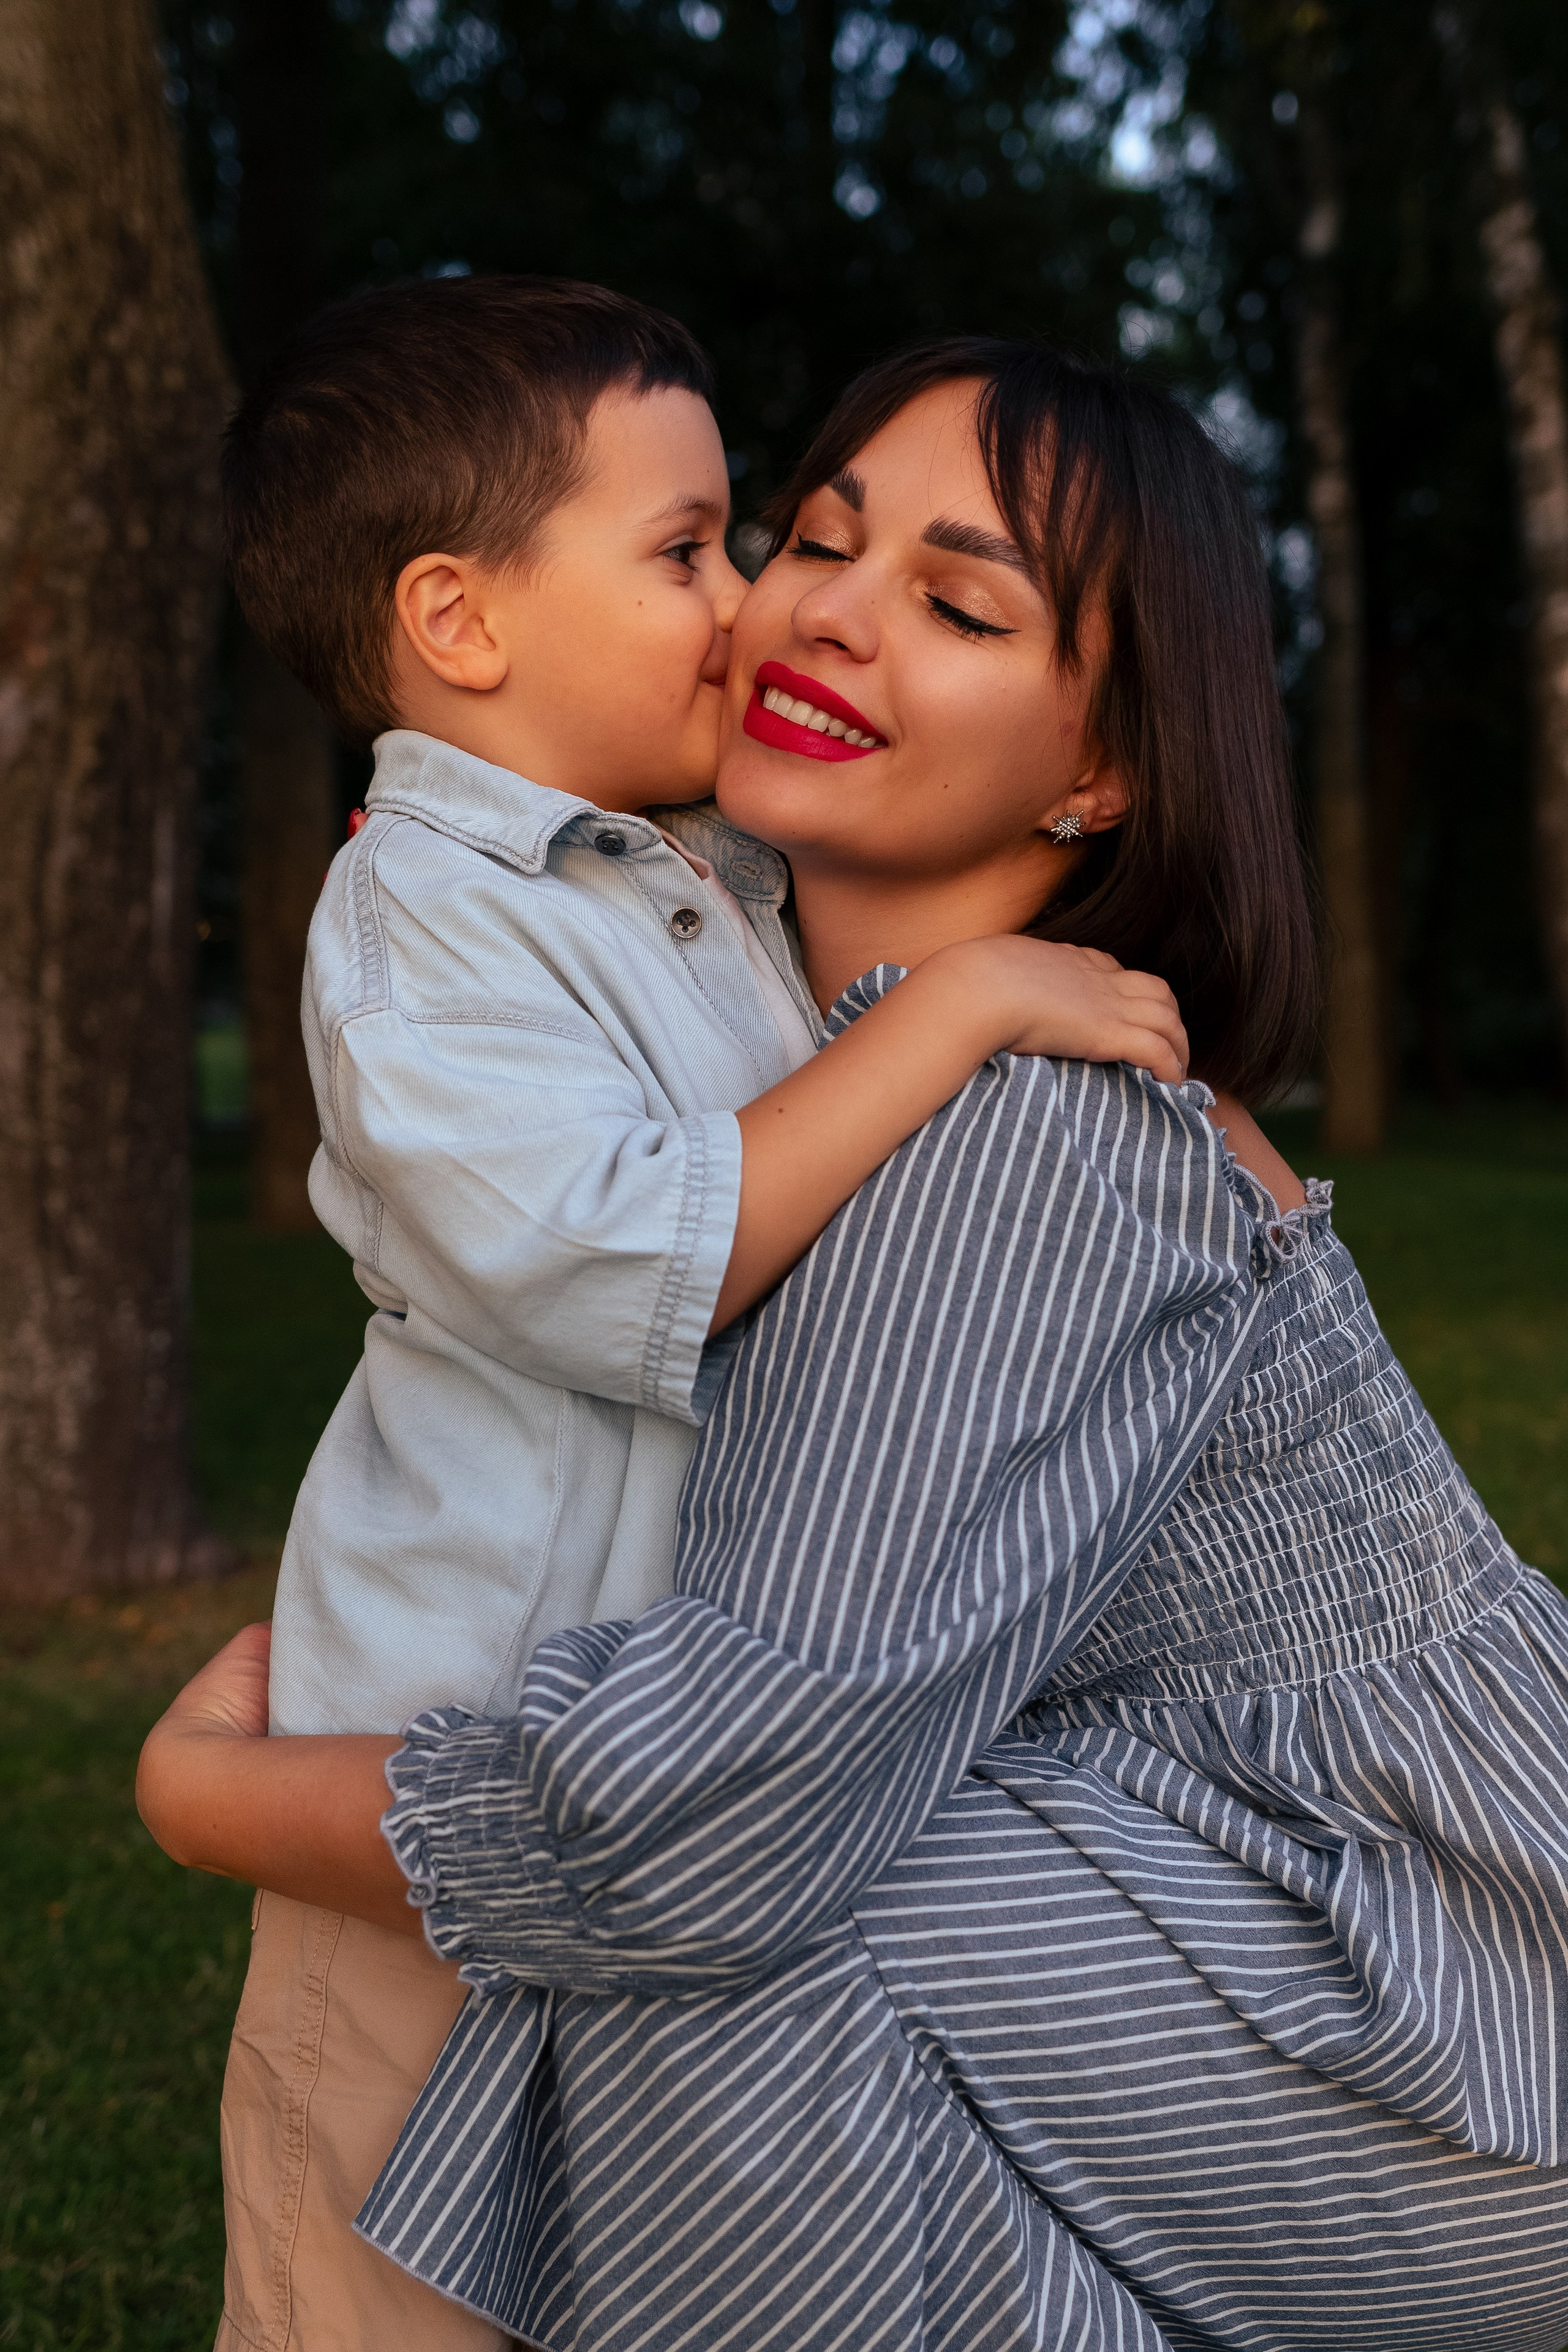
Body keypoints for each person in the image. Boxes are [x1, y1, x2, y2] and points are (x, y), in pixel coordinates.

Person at [143, 340, 1568, 2351]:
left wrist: (211, 1799)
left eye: (959, 601)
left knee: (710, 1907)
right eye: (813, 538)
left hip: (1433, 2027)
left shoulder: (1022, 1128)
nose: (814, 606)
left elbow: (711, 1802)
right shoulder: (769, 1038)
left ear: (1103, 772)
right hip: (1228, 1926)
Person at [207, 280, 1187, 2352]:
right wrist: (966, 1011)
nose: (751, 605)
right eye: (695, 550)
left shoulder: (690, 879)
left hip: (635, 1783)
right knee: (372, 2297)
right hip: (429, 1774)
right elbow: (619, 1248)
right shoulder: (418, 928)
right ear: (463, 624)